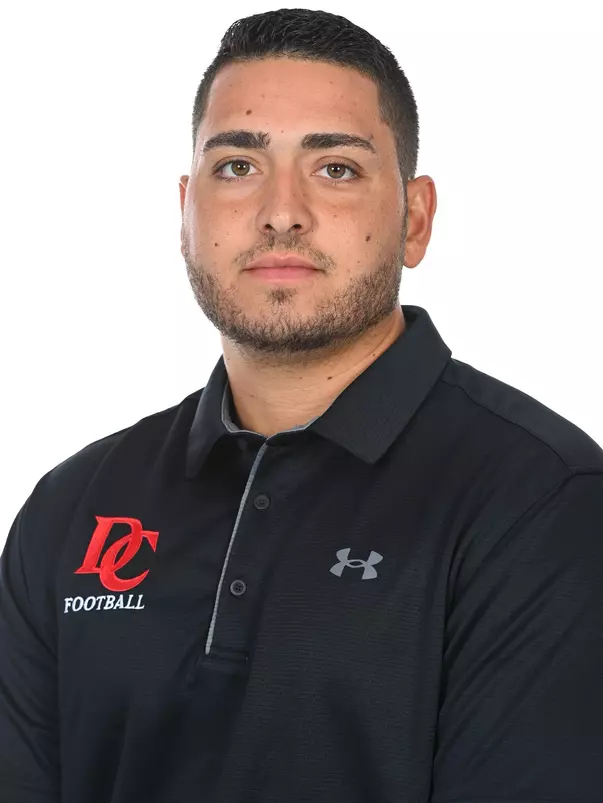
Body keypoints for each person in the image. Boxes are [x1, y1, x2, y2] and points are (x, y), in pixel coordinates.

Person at [2, 7, 603, 803]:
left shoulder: (543, 502)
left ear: (415, 219)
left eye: (336, 168)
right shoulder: (70, 506)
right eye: (237, 167)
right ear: (186, 212)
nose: (280, 212)